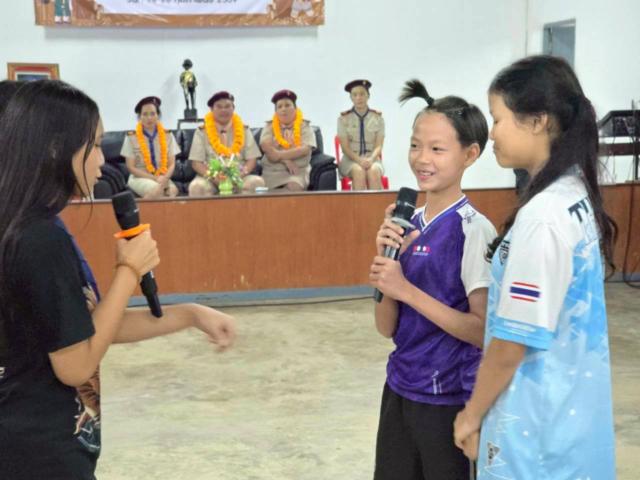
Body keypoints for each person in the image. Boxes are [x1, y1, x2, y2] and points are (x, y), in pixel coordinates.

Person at [0, 80, 236, 479]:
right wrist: (128, 271)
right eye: (93, 145)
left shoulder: (31, 226)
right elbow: (75, 365)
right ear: (55, 149)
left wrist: (190, 315)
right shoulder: (38, 237)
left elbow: (82, 328)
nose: (101, 162)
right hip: (38, 451)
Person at [453, 56, 618, 479]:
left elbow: (512, 340)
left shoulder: (543, 217)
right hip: (570, 415)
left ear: (538, 121)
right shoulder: (573, 192)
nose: (492, 133)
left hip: (536, 432)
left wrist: (472, 414)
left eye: (498, 119)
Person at [369, 79, 496, 480]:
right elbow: (385, 327)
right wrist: (387, 264)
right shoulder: (405, 223)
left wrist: (406, 289)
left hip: (447, 400)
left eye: (437, 149)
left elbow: (482, 331)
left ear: (470, 154)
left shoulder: (474, 230)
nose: (422, 159)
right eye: (415, 145)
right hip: (399, 388)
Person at [188, 91, 265, 196]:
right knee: (197, 187)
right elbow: (196, 163)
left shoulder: (244, 130)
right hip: (210, 177)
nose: (223, 110)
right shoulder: (202, 132)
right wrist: (215, 178)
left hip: (239, 176)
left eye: (227, 106)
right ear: (211, 109)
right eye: (219, 107)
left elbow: (252, 159)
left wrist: (237, 176)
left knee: (256, 182)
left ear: (233, 108)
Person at [120, 96, 180, 198]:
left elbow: (172, 164)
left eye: (152, 114)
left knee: (173, 191)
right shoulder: (131, 137)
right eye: (145, 114)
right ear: (140, 117)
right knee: (156, 190)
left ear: (158, 115)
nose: (149, 118)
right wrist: (155, 178)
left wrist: (165, 178)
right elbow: (131, 167)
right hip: (139, 178)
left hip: (162, 177)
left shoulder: (168, 135)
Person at [259, 89, 316, 191]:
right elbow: (267, 149)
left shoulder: (304, 126)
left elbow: (304, 150)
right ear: (276, 111)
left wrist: (278, 154)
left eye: (287, 105)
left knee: (293, 187)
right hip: (272, 172)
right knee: (258, 189)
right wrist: (287, 161)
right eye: (279, 107)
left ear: (295, 108)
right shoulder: (269, 126)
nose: (283, 109)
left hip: (297, 172)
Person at [337, 79, 385, 190]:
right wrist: (359, 160)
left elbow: (379, 146)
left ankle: (376, 202)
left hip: (372, 158)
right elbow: (345, 148)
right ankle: (359, 202)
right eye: (355, 95)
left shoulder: (378, 118)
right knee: (359, 171)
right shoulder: (343, 119)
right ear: (351, 98)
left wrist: (371, 159)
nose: (359, 98)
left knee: (373, 171)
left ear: (368, 96)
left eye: (362, 94)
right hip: (350, 160)